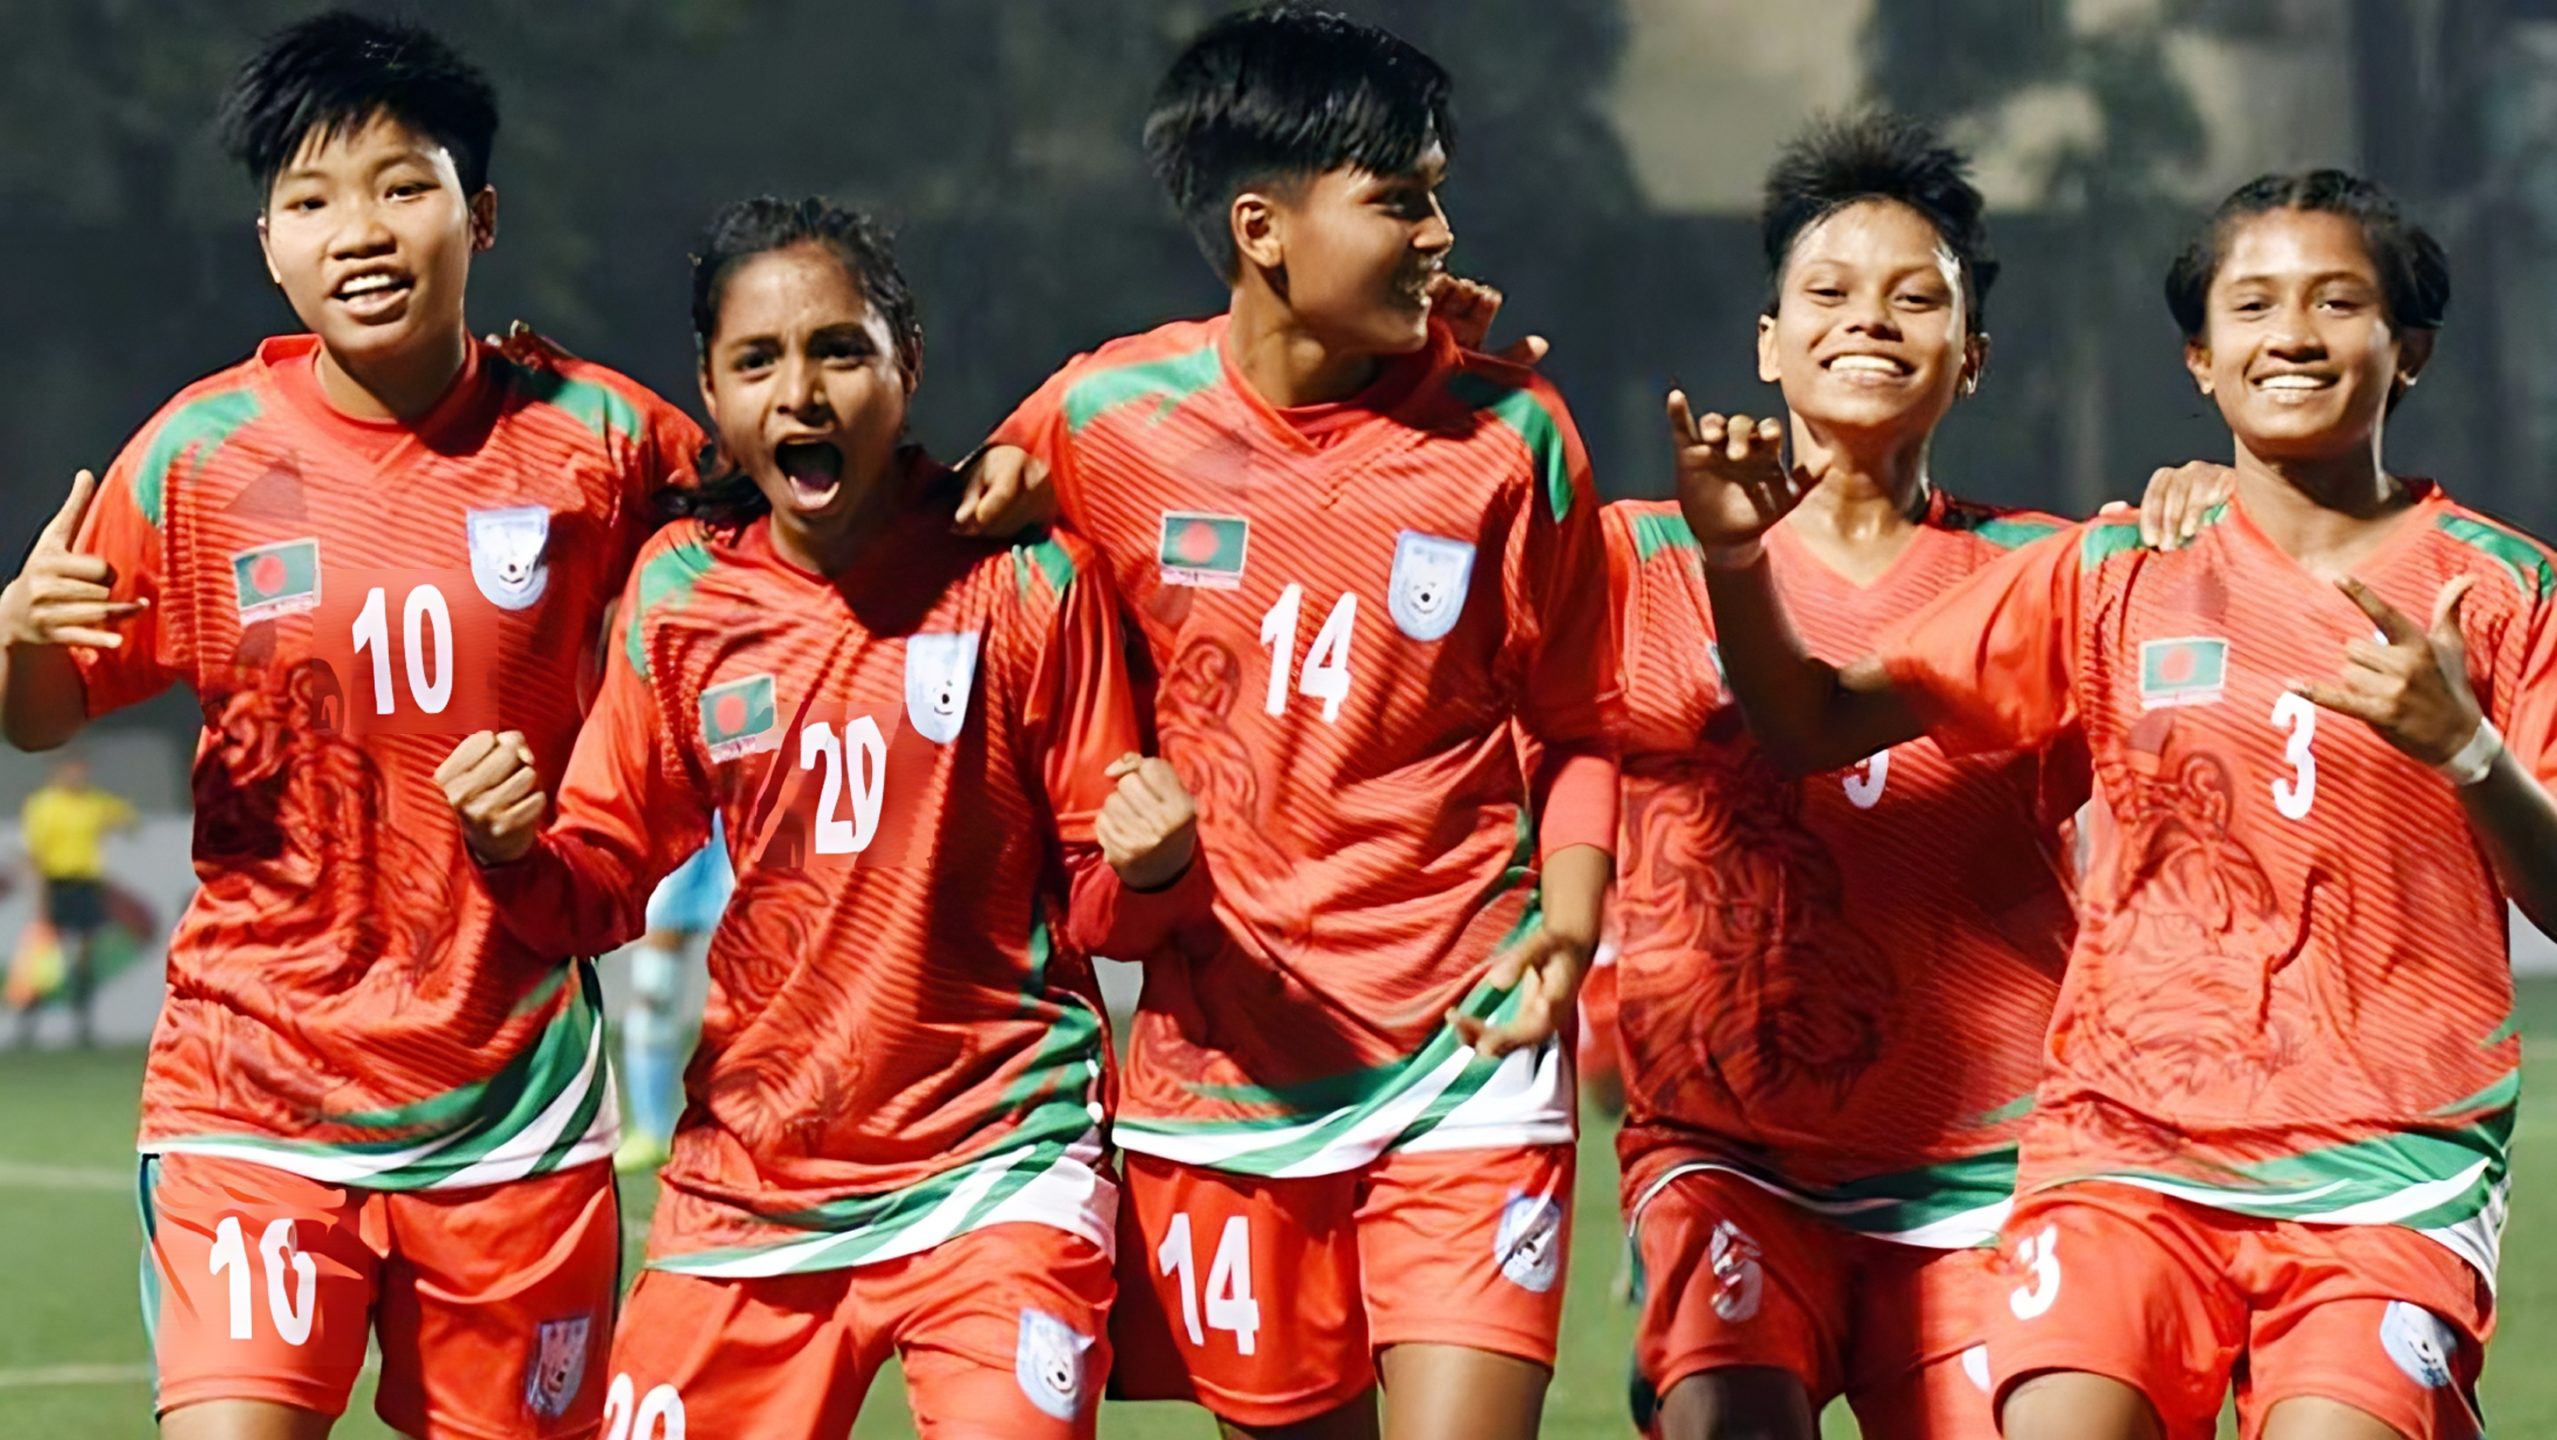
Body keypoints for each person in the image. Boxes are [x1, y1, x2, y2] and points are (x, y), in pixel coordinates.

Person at [1674, 168, 2554, 1440]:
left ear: (2406, 348)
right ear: (2200, 359)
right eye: (2251, 306)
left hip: (2387, 1170)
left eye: (2335, 303)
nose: (2291, 336)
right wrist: (1735, 556)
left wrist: (2465, 748)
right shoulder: (2114, 569)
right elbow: (1807, 723)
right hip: (2124, 1150)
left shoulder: (2506, 590)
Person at [0, 14, 700, 1436]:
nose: (360, 232)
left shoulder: (605, 442)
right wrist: (15, 637)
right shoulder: (197, 457)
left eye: (401, 186)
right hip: (253, 1082)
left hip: (512, 1105)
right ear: (271, 244)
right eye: (312, 200)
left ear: (478, 214)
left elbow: (789, 569)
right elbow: (45, 714)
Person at [439, 195, 1200, 1438]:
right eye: (757, 362)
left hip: (998, 1162)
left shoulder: (1023, 580)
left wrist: (1155, 864)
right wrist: (508, 849)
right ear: (712, 392)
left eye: (838, 350)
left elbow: (1107, 909)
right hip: (755, 1179)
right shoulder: (682, 598)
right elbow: (598, 888)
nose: (799, 393)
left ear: (909, 361)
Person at [981, 9, 1620, 1435]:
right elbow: (937, 540)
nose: (1440, 234)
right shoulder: (1104, 419)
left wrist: (1570, 928)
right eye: (1397, 200)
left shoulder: (1515, 436)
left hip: (1467, 1046)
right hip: (1227, 1075)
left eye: (1437, 194)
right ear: (1261, 228)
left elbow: (1581, 719)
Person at [1606, 112, 2081, 1440]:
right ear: (1768, 341)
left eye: (1914, 297)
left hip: (1986, 1164)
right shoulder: (1634, 561)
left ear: (1971, 357)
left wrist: (2203, 501)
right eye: (1828, 291)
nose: (1868, 317)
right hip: (1727, 1152)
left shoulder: (2048, 575)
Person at [614, 821, 731, 1172]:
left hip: (756, 823)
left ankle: (762, 1127)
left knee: (762, 980)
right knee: (653, 984)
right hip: (688, 823)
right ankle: (651, 1130)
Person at [18, 752, 139, 1047]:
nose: (76, 776)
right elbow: (35, 854)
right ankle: (27, 1026)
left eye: (80, 770)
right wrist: (41, 898)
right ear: (57, 772)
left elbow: (129, 821)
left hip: (86, 886)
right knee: (46, 960)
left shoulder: (94, 803)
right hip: (56, 885)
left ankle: (83, 1025)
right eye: (70, 770)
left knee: (85, 957)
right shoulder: (43, 805)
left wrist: (127, 816)